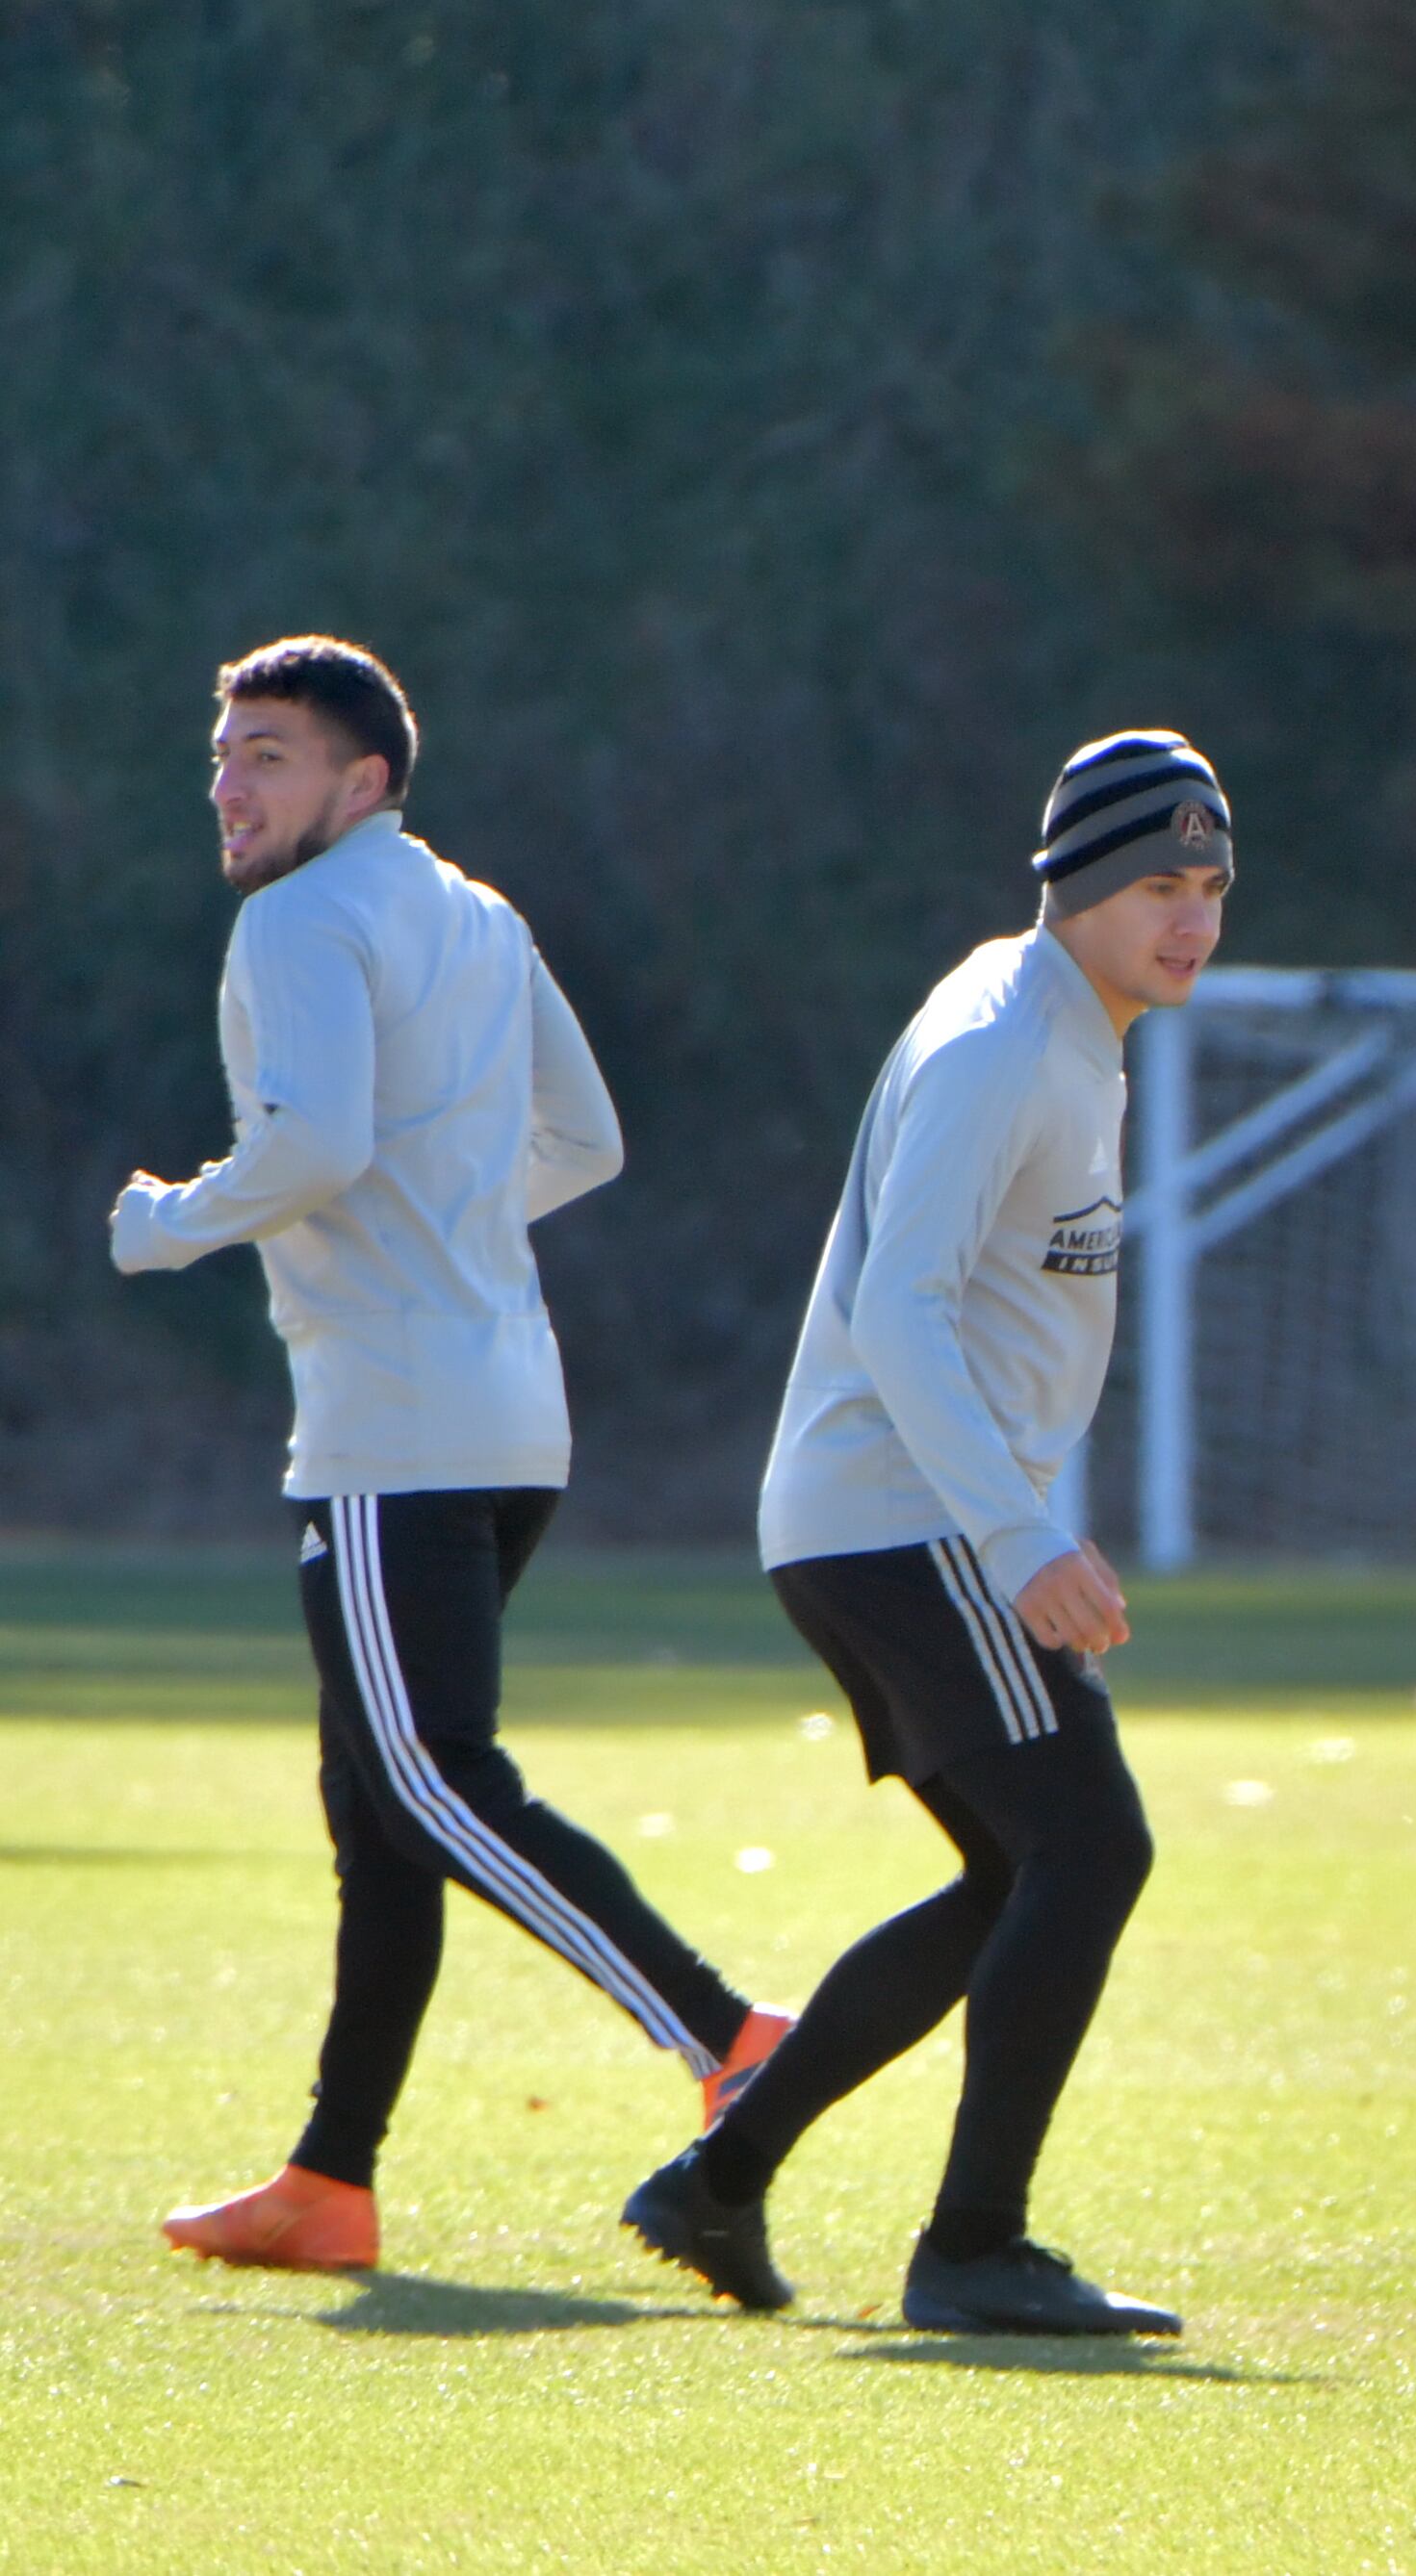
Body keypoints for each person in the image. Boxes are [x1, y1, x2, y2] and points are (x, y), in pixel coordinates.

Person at [113, 636, 785, 2275]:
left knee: (429, 1780)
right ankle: (329, 2181)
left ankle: (724, 2030)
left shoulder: (298, 918)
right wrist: (446, 1223)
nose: (229, 783)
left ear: (365, 782)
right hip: (512, 1416)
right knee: (379, 1807)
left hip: (395, 1429)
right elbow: (588, 1141)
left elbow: (321, 1143)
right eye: (222, 752)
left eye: (266, 754)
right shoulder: (479, 915)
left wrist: (169, 1224)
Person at [621, 729, 1230, 2336]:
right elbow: (901, 1308)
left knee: (1015, 1878)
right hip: (906, 1520)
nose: (1193, 915)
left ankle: (720, 2181)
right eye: (1162, 882)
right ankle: (972, 2248)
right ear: (1083, 886)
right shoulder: (1002, 1044)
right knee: (1092, 1845)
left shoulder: (1069, 1027)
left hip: (882, 1519)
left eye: (1213, 884)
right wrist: (1023, 1534)